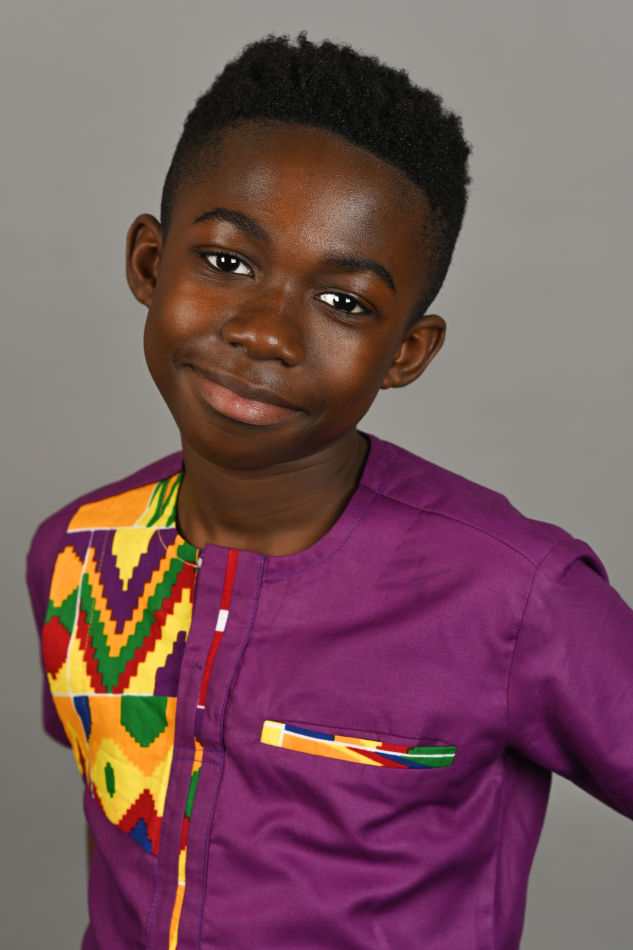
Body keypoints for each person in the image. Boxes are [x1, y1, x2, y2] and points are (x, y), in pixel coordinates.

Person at [26, 33, 633, 950]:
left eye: (344, 302)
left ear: (405, 353)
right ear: (150, 263)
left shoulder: (512, 596)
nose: (266, 333)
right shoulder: (74, 554)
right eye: (227, 262)